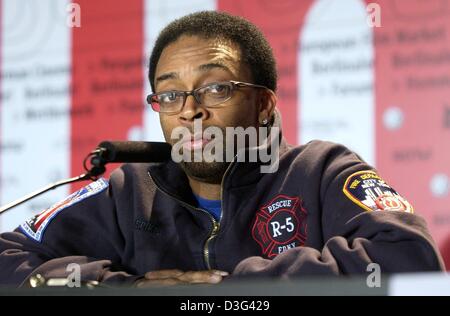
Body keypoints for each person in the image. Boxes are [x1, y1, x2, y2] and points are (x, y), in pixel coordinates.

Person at [0, 11, 444, 288]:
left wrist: (228, 291)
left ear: (264, 103)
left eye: (215, 88)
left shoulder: (321, 170)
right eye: (170, 95)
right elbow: (8, 260)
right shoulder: (130, 190)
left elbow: (411, 260)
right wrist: (121, 287)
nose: (190, 111)